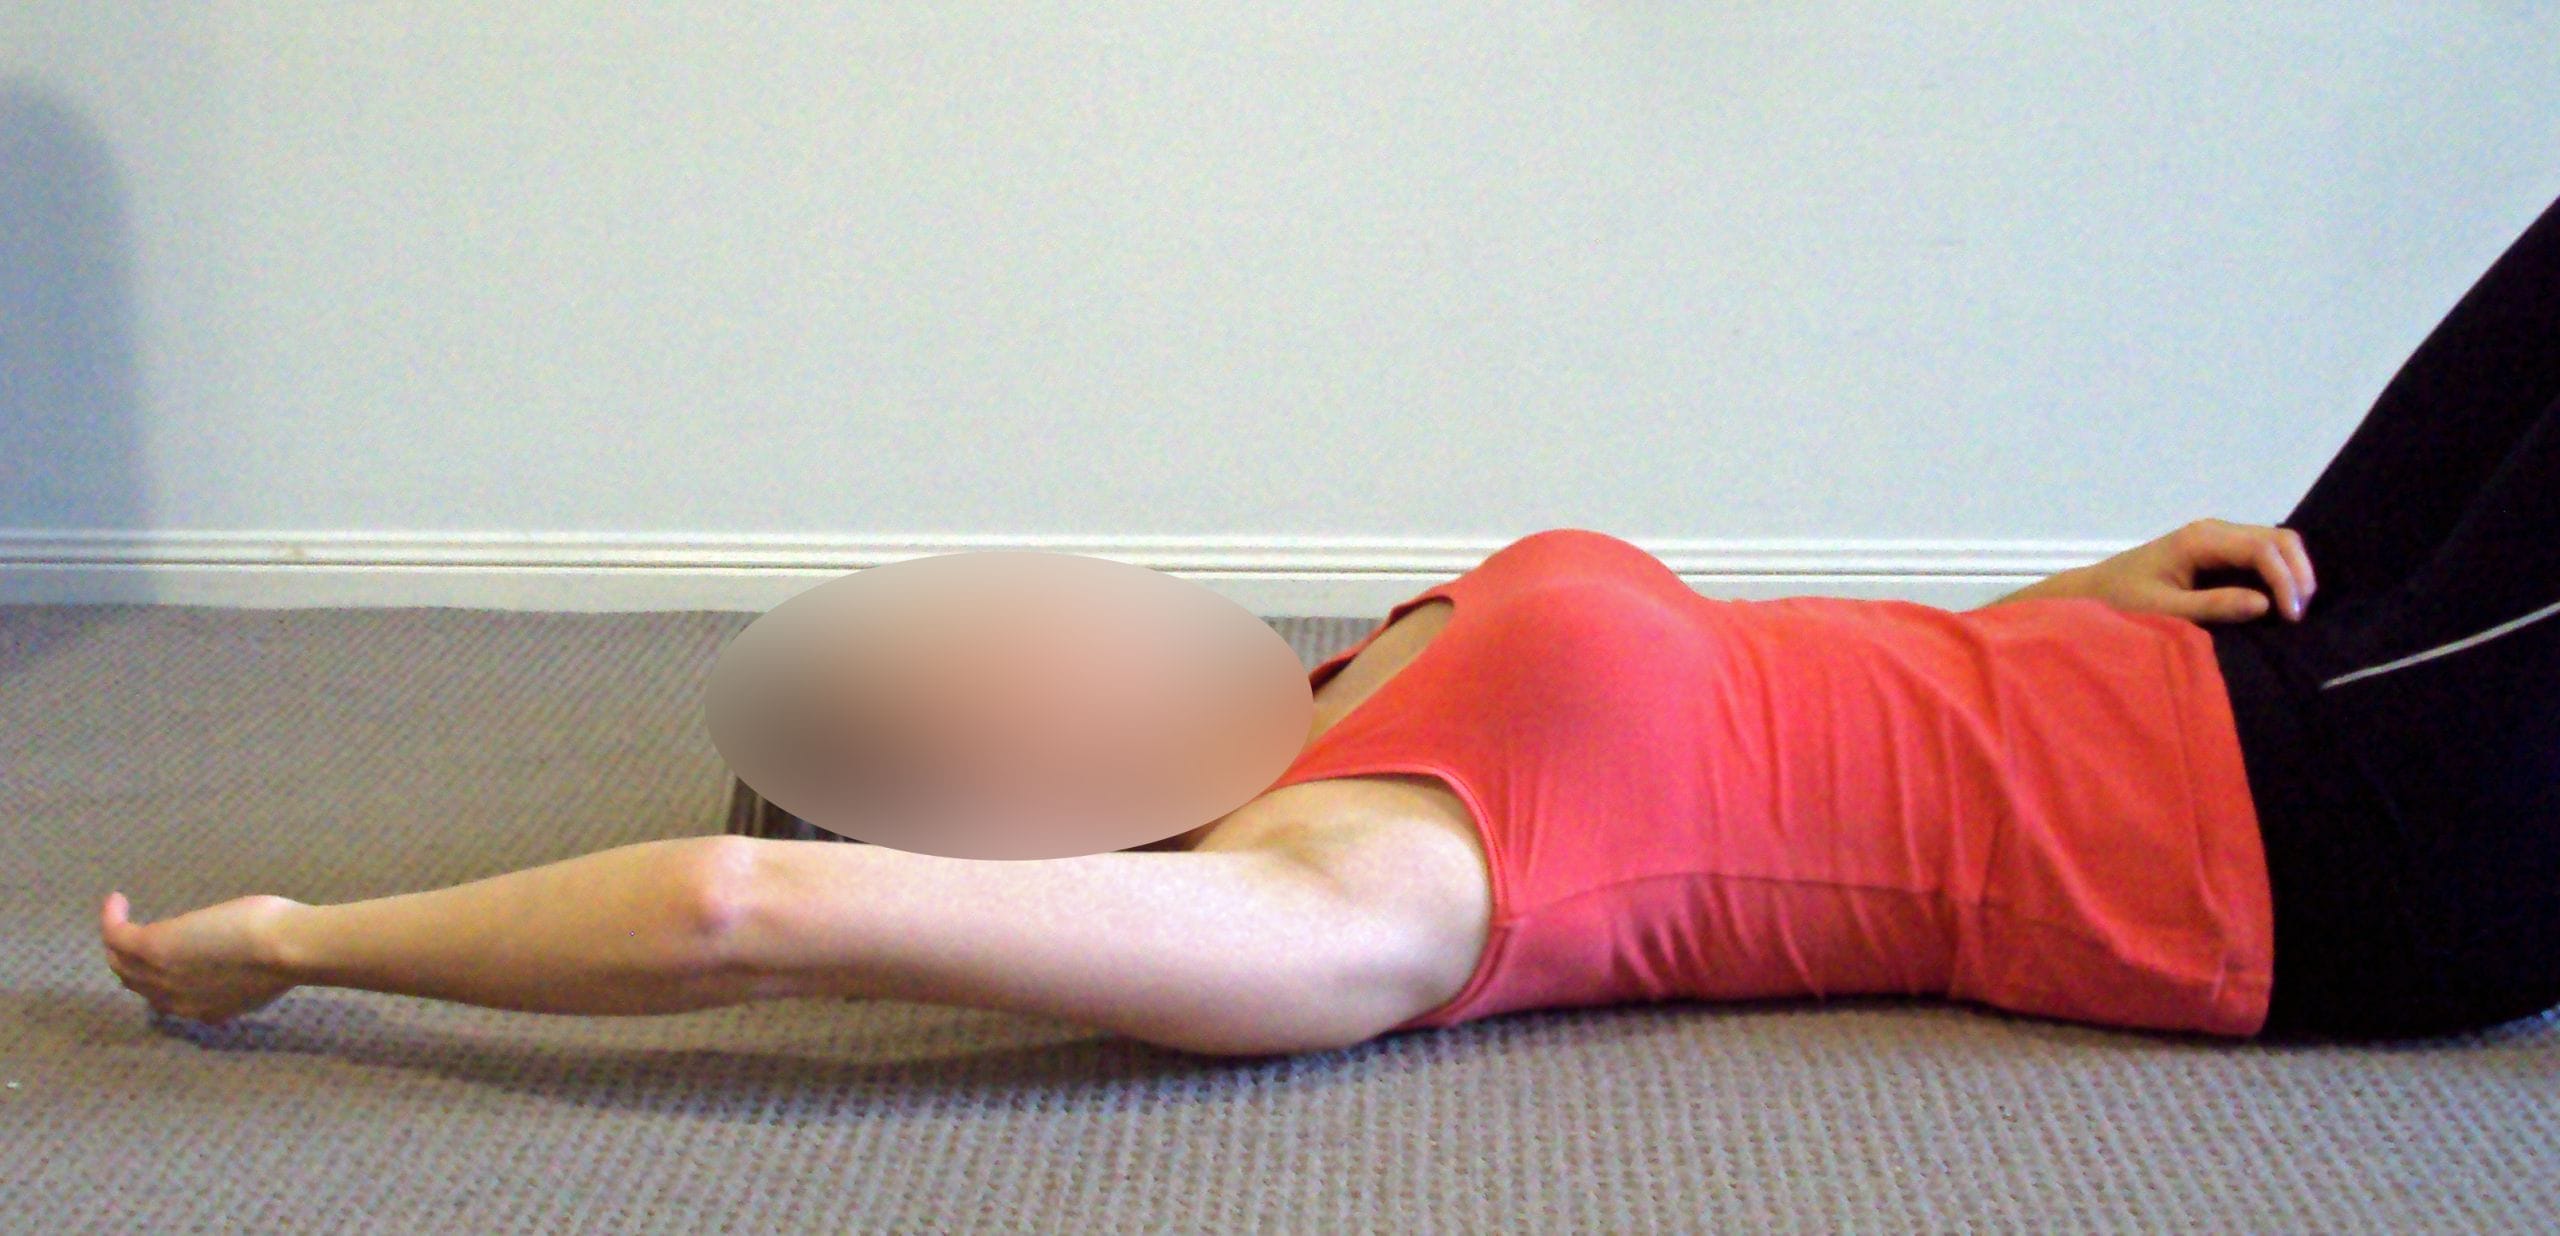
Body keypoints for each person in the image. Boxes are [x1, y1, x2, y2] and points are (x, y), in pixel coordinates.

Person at [98, 189, 2560, 1056]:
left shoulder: (1327, 683)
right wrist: (292, 939)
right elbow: (735, 910)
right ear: (1011, 830)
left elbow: (1772, 722)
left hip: (2190, 668)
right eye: (967, 688)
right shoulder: (1346, 887)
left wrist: (2042, 607)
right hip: (2320, 840)